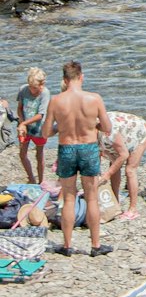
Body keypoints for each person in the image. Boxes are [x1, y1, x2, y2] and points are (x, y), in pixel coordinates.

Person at [40, 60, 113, 257]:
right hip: (88, 148)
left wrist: (60, 127)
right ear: (81, 77)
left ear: (64, 79)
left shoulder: (56, 101)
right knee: (91, 197)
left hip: (67, 148)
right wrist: (92, 126)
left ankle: (67, 244)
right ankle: (96, 245)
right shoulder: (94, 99)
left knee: (69, 198)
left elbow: (45, 132)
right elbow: (107, 128)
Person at [98, 111, 146, 220]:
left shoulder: (108, 132)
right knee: (113, 164)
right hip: (122, 134)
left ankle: (133, 209)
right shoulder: (87, 133)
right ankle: (115, 203)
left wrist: (107, 174)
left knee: (130, 170)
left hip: (139, 132)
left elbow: (124, 155)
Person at [16, 67, 50, 184]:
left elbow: (40, 115)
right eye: (30, 86)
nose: (32, 90)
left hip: (39, 129)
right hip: (25, 127)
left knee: (39, 155)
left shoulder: (45, 93)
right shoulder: (23, 90)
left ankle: (41, 181)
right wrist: (22, 123)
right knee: (22, 153)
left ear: (42, 85)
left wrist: (24, 123)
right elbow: (20, 108)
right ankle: (31, 178)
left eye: (35, 88)